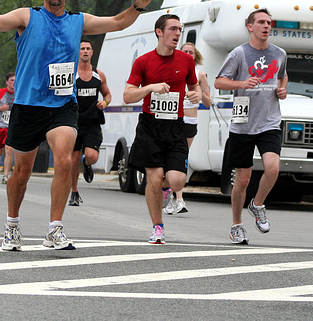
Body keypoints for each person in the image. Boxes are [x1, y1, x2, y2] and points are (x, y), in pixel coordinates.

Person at [0, 0, 152, 251]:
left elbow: (116, 22)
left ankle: (54, 228)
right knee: (21, 173)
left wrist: (137, 6)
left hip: (63, 103)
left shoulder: (78, 21)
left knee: (65, 160)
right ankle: (12, 224)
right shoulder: (26, 16)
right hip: (28, 105)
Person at [123, 14, 201, 243]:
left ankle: (167, 189)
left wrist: (195, 93)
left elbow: (194, 86)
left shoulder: (186, 61)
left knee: (177, 181)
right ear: (159, 32)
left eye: (180, 29)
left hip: (176, 126)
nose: (178, 33)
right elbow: (127, 95)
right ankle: (158, 227)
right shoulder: (144, 61)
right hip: (150, 125)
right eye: (173, 29)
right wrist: (149, 87)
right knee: (154, 177)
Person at [214, 8, 288, 245]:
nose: (266, 26)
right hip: (243, 123)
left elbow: (283, 76)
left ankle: (257, 205)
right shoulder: (239, 53)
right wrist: (242, 83)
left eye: (269, 23)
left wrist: (282, 89)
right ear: (250, 26)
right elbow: (219, 82)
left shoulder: (279, 53)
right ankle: (236, 225)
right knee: (243, 180)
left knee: (273, 167)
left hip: (269, 121)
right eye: (261, 22)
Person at [163, 42, 212, 215]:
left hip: (190, 121)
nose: (189, 54)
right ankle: (177, 199)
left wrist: (199, 94)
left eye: (191, 52)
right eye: (185, 51)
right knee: (173, 158)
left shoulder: (200, 75)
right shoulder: (172, 70)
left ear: (195, 55)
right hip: (172, 120)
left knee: (181, 156)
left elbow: (208, 102)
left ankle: (172, 196)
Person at [68, 39, 111, 206]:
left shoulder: (98, 75)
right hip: (74, 122)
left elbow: (107, 95)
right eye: (82, 49)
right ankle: (74, 192)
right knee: (73, 159)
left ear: (92, 52)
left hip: (92, 122)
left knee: (92, 156)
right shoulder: (72, 74)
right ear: (77, 52)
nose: (85, 51)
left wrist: (104, 103)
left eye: (88, 48)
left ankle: (87, 164)